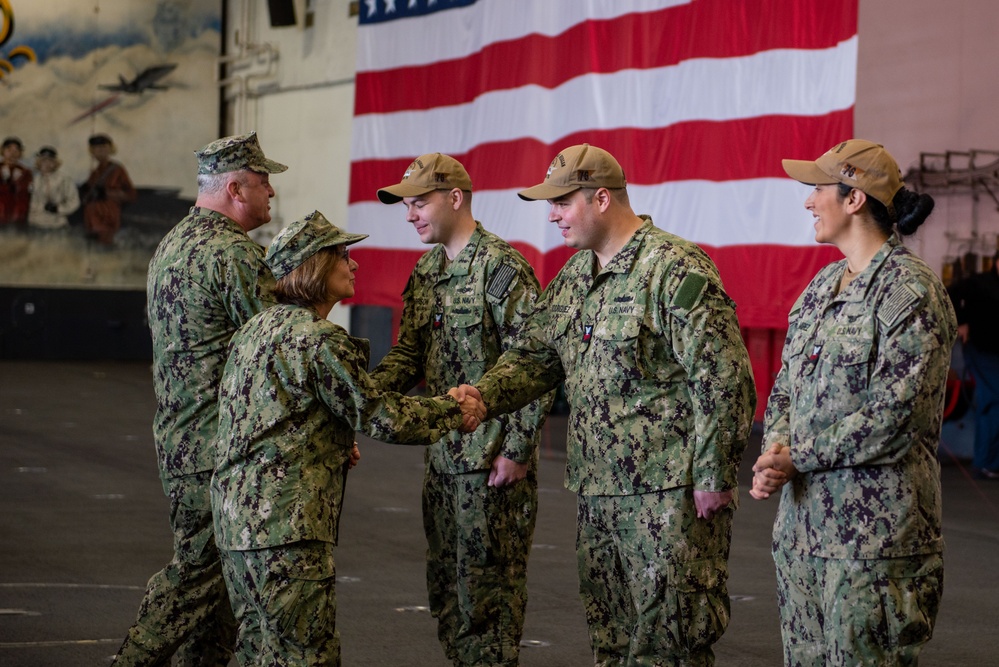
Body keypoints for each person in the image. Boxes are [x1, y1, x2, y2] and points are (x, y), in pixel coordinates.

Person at [455, 144, 757, 666]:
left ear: (600, 199)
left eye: (560, 203)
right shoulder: (575, 278)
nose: (550, 215)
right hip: (598, 493)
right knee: (612, 644)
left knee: (670, 645)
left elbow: (724, 374)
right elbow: (535, 358)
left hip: (668, 496)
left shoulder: (672, 267)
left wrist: (714, 472)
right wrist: (484, 395)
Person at [212, 210, 483, 666]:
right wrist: (456, 408)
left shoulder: (254, 332)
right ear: (314, 266)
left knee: (257, 651)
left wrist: (332, 439)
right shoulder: (319, 341)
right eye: (342, 254)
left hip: (237, 524)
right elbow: (384, 416)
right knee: (305, 655)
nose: (353, 264)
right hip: (285, 530)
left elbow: (273, 418)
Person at [750, 139, 958, 665]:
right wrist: (776, 448)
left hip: (873, 548)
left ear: (853, 198)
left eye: (816, 188)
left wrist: (800, 456)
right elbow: (787, 386)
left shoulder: (911, 293)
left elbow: (895, 418)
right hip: (803, 536)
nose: (807, 201)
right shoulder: (821, 286)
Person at [112, 131, 287, 666]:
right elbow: (276, 350)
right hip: (221, 447)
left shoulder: (173, 244)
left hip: (181, 436)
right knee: (199, 574)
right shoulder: (234, 254)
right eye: (264, 183)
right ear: (235, 187)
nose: (271, 195)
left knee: (216, 594)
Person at [371, 153, 552, 666]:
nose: (410, 215)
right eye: (406, 206)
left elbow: (535, 361)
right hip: (444, 457)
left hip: (493, 462)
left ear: (455, 198)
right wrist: (362, 398)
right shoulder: (427, 270)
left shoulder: (501, 268)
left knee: (487, 595)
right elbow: (410, 354)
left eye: (419, 203)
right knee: (447, 588)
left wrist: (516, 449)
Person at [948, 250, 999, 479]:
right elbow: (947, 294)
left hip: (996, 353)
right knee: (994, 399)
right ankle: (985, 462)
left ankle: (990, 462)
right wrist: (961, 321)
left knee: (994, 401)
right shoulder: (979, 283)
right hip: (980, 349)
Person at [80, 133, 137, 245]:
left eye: (103, 147)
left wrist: (107, 193)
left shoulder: (117, 170)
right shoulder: (95, 172)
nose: (100, 150)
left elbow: (131, 195)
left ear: (110, 149)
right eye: (96, 148)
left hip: (108, 211)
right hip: (92, 213)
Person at [28, 146, 80, 231]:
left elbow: (74, 201)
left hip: (58, 223)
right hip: (36, 224)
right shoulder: (35, 180)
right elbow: (31, 202)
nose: (47, 164)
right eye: (44, 160)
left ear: (56, 163)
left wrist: (58, 209)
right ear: (39, 162)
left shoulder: (64, 179)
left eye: (50, 161)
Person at [0, 136, 32, 227]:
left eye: (16, 151)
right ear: (3, 151)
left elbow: (26, 194)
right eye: (9, 150)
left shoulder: (25, 172)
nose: (12, 154)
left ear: (20, 153)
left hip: (18, 218)